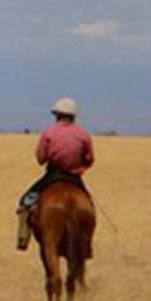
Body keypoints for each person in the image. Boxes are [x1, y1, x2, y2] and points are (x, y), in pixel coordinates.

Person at [16, 97, 94, 250]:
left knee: (25, 202)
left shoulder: (49, 133)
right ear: (74, 116)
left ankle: (23, 238)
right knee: (89, 206)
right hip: (74, 178)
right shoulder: (84, 135)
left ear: (57, 115)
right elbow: (89, 159)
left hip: (53, 175)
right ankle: (87, 245)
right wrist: (81, 168)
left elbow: (41, 159)